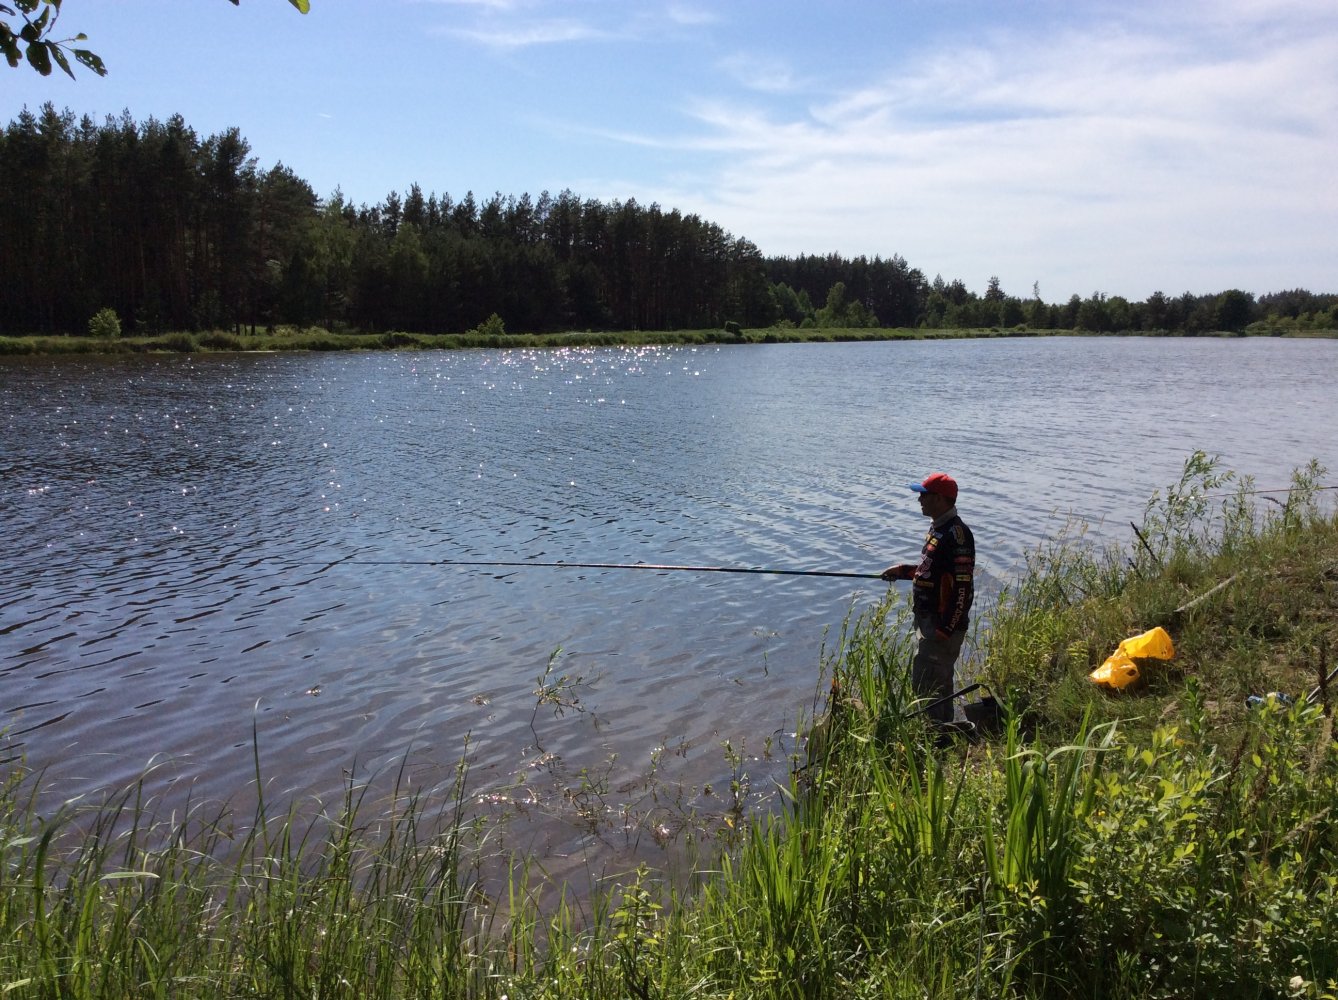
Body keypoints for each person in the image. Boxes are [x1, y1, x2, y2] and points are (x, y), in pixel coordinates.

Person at [881, 472, 975, 724]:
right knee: (937, 680)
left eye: (924, 495)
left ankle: (935, 736)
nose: (919, 500)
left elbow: (963, 589)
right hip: (929, 622)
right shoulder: (939, 528)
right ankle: (945, 731)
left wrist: (946, 628)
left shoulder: (957, 535)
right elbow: (934, 572)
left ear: (941, 499)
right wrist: (903, 571)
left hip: (941, 626)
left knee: (926, 683)